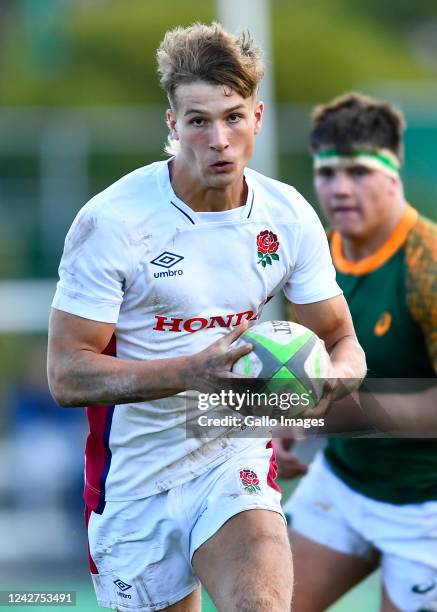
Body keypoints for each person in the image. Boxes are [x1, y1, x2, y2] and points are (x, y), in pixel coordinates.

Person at [47, 24, 366, 612]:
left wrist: (322, 389)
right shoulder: (113, 223)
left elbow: (341, 338)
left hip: (231, 458)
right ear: (172, 125)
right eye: (198, 120)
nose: (219, 139)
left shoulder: (288, 216)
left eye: (233, 116)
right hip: (133, 485)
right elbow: (67, 375)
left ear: (258, 117)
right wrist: (191, 371)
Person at [280, 92, 437, 612]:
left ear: (393, 174)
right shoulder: (313, 259)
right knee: (258, 601)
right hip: (344, 484)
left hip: (425, 507)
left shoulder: (428, 266)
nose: (339, 188)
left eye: (358, 171)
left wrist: (338, 412)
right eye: (326, 173)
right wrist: (285, 424)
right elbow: (301, 371)